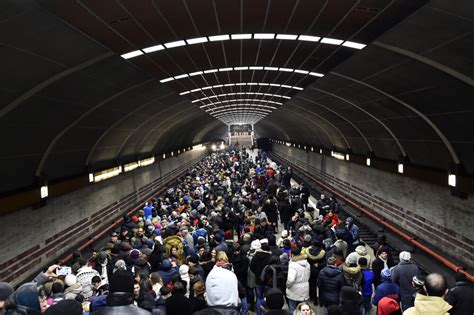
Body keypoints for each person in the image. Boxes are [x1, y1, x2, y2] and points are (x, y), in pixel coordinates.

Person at [286, 248, 311, 313]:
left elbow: (291, 279)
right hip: (305, 288)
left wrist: (287, 286)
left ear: (292, 254)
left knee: (293, 309)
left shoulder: (293, 264)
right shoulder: (307, 263)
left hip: (294, 290)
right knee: (304, 309)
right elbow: (309, 275)